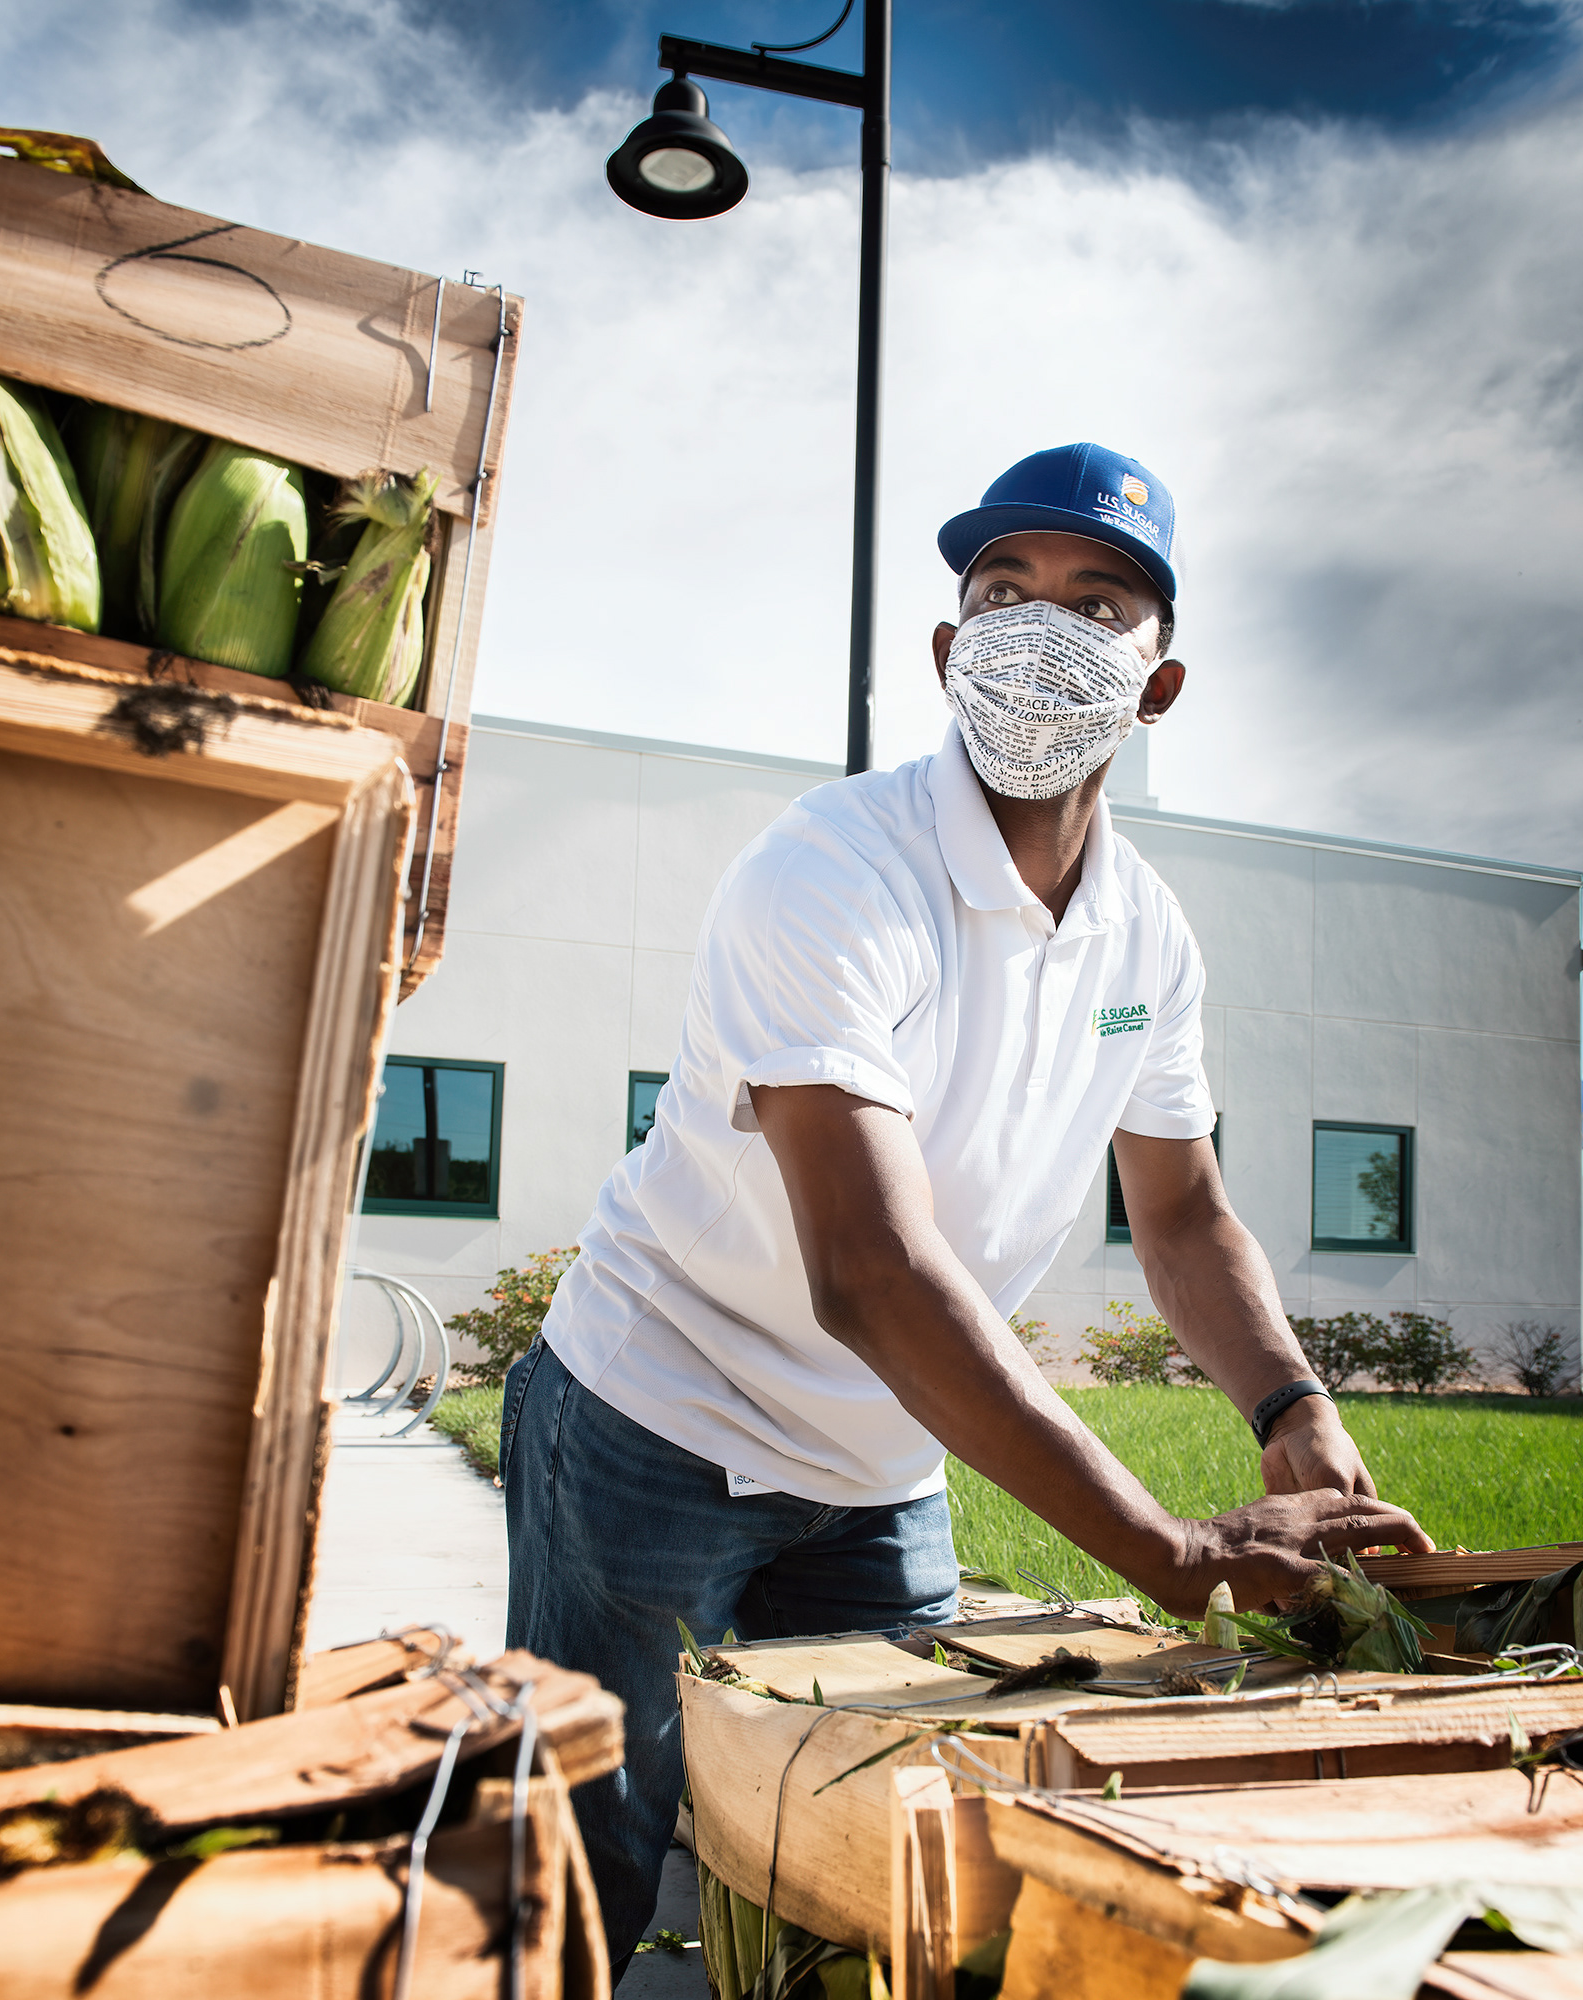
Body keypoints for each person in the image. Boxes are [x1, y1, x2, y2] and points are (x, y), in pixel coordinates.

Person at [501, 442, 1431, 1974]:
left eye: (1098, 597)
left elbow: (1185, 1215)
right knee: (591, 1855)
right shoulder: (832, 870)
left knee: (887, 1867)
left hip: (880, 1462)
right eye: (1002, 591)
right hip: (657, 1419)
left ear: (1161, 682)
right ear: (947, 652)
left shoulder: (1151, 936)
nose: (1039, 624)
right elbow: (868, 1271)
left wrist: (1291, 1404)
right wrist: (1177, 1555)